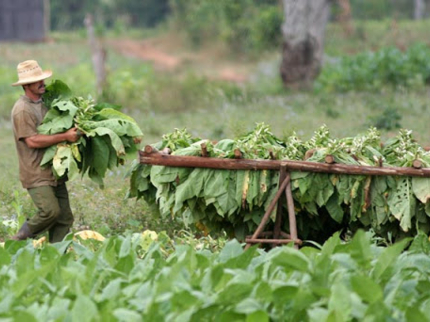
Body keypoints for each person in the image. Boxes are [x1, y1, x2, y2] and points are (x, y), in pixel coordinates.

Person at [10, 60, 80, 242]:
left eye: (42, 79)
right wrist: (65, 136)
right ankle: (17, 240)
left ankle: (57, 257)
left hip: (54, 170)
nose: (42, 83)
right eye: (37, 81)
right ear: (26, 85)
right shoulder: (22, 110)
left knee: (64, 218)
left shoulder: (46, 103)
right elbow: (32, 141)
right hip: (35, 172)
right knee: (50, 211)